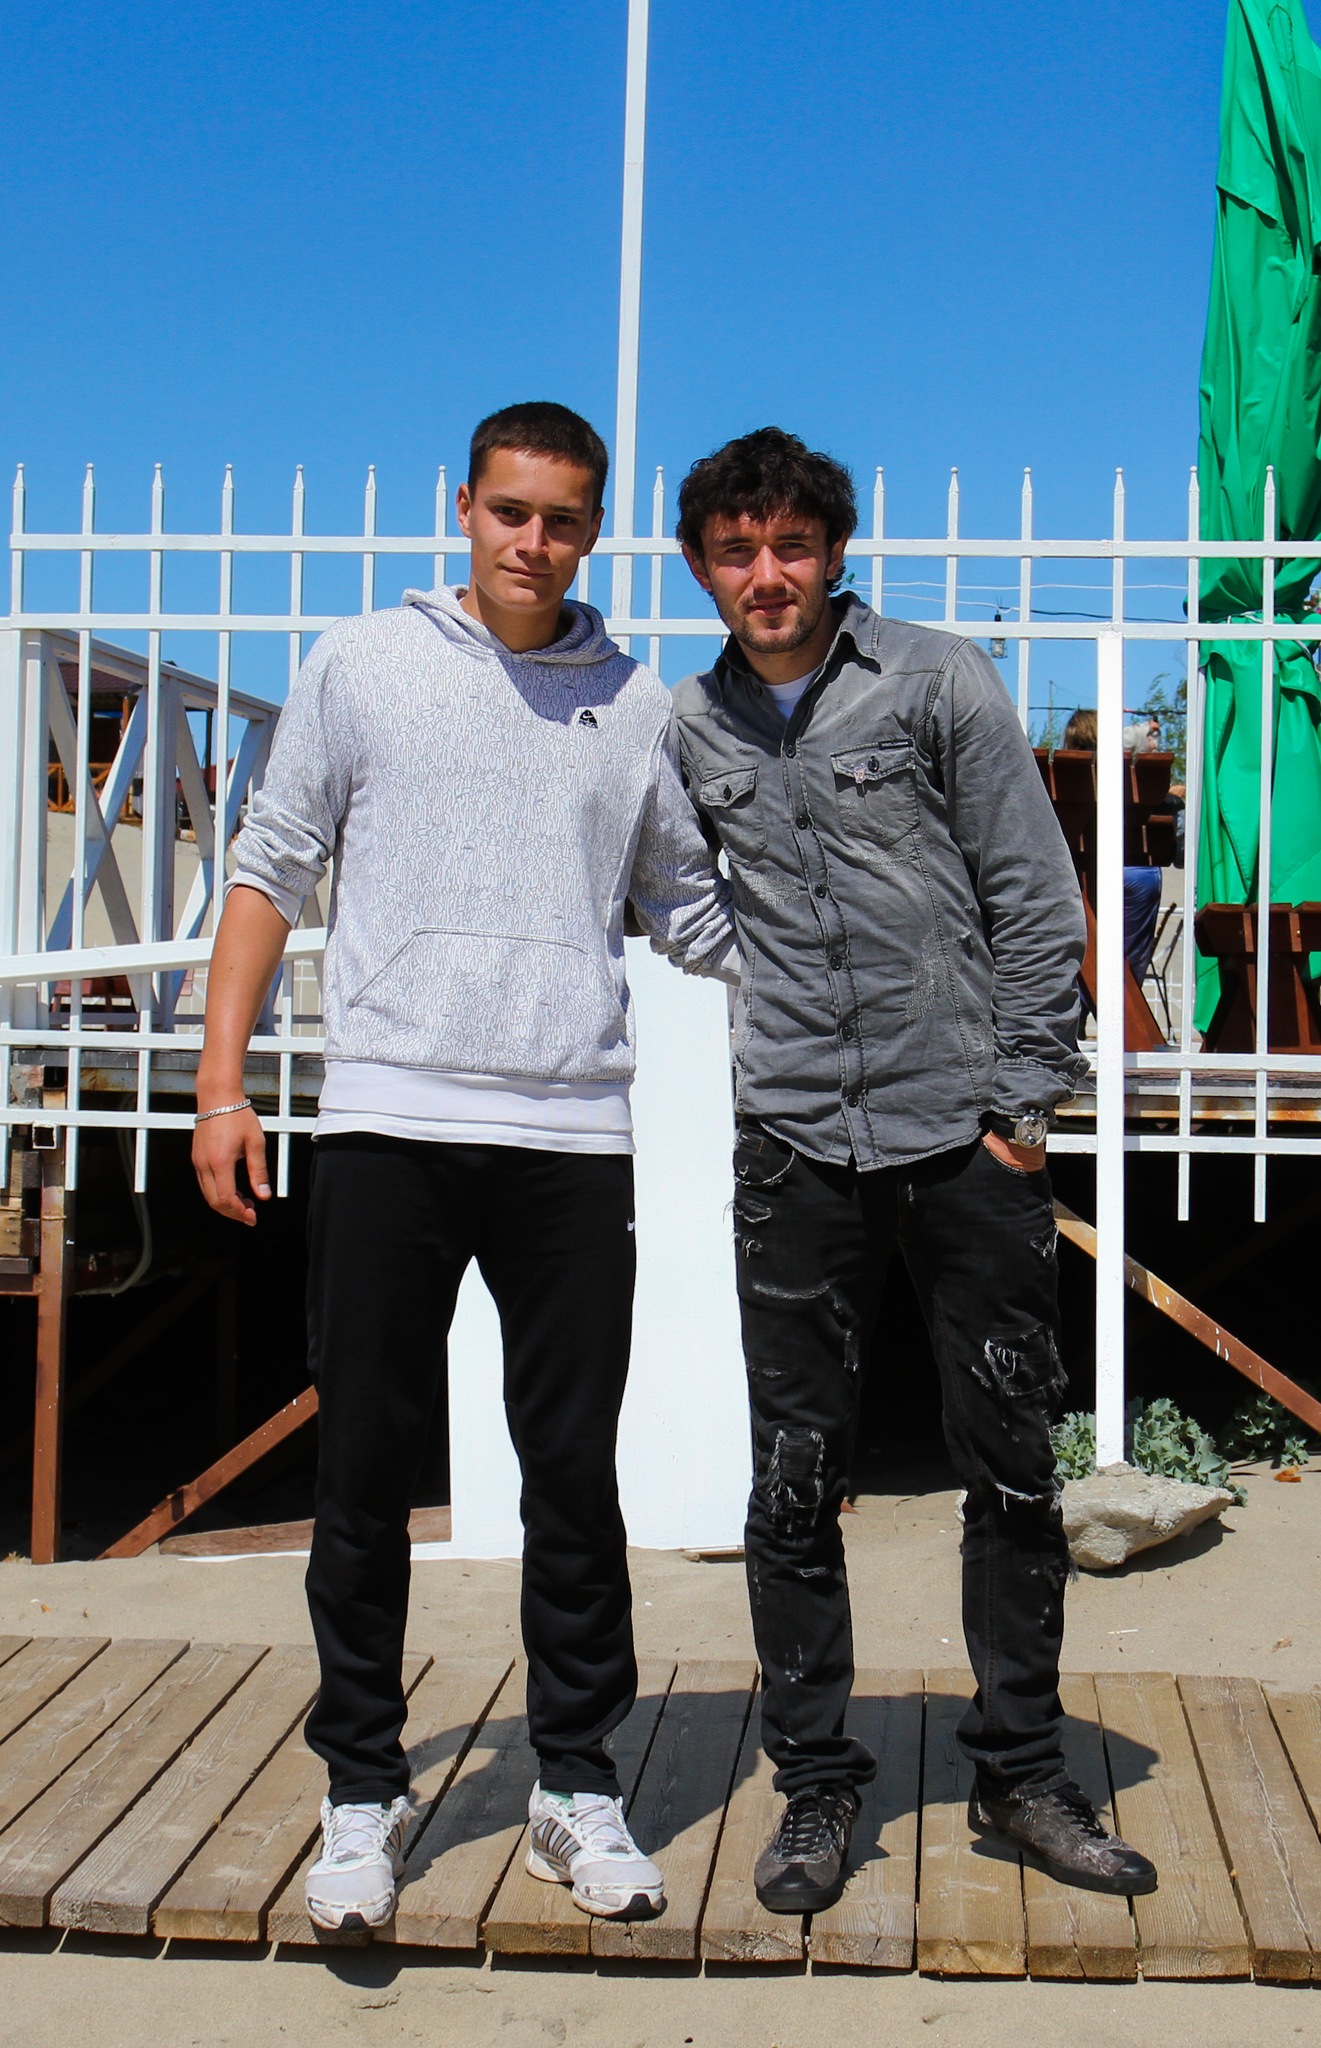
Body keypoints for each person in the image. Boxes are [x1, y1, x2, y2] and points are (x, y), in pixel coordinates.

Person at [192, 401, 737, 1934]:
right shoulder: (361, 664)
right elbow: (269, 869)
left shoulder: (640, 705)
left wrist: (866, 942)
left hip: (570, 1138)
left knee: (571, 1478)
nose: (533, 543)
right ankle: (361, 1789)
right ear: (464, 508)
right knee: (363, 1473)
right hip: (388, 1122)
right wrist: (222, 1086)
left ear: (595, 530)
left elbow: (694, 912)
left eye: (563, 520)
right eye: (511, 512)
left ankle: (576, 1783)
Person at [670, 426, 1157, 1912]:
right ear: (702, 568)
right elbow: (672, 892)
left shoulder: (938, 679)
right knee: (792, 1478)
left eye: (790, 545)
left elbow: (1033, 891)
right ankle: (817, 1784)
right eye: (736, 551)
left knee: (1008, 1467)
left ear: (834, 553)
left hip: (963, 1133)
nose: (766, 573)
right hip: (794, 1140)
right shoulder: (686, 725)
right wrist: (756, 984)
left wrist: (1024, 1104)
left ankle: (1022, 1769)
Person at [1061, 706, 1179, 985]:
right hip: (1136, 875)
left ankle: (1082, 999)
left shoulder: (1063, 779)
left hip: (1077, 878)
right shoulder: (1130, 776)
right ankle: (1127, 996)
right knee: (1126, 968)